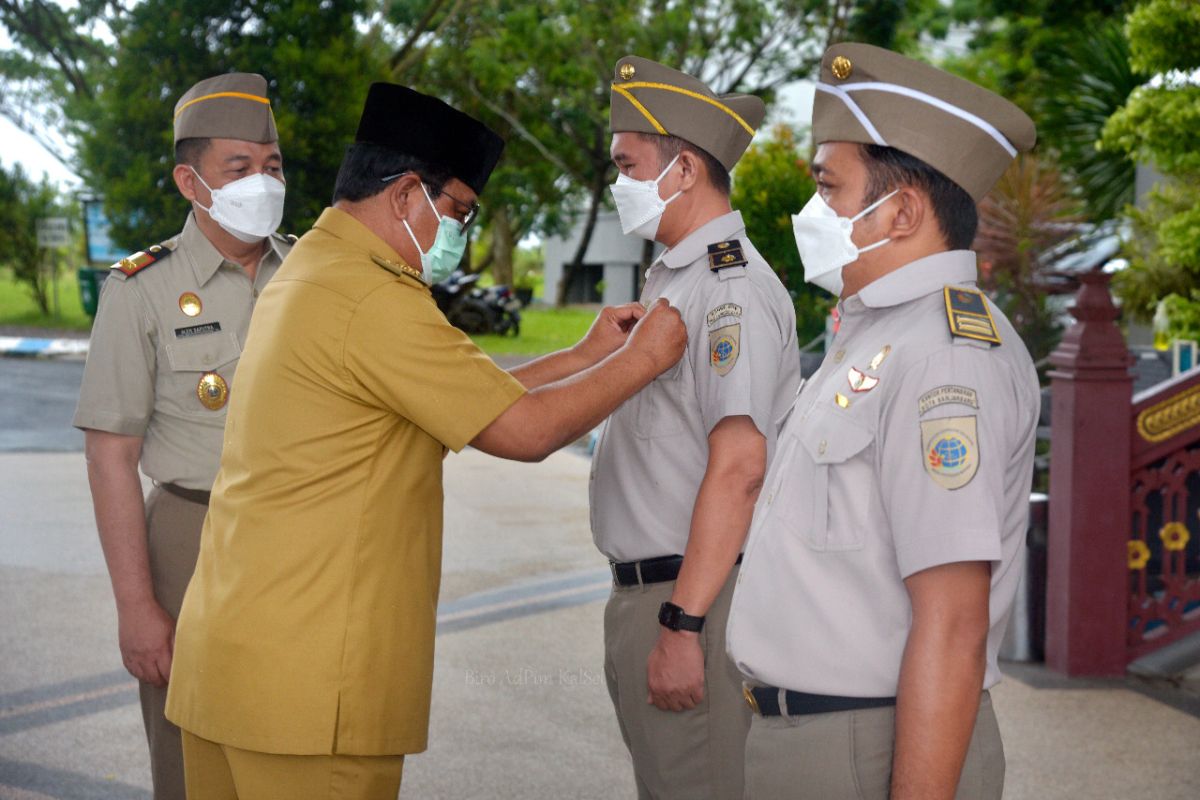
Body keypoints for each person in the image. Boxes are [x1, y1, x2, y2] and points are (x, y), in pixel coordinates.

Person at [163, 82, 687, 798]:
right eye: (457, 212)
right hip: (311, 693)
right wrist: (645, 359)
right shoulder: (374, 296)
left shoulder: (315, 269)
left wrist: (581, 356)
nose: (458, 234)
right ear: (407, 193)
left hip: (232, 668)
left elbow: (453, 395)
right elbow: (524, 432)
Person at [726, 42, 1040, 799]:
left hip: (869, 749)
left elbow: (954, 625)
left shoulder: (943, 358)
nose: (812, 213)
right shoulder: (877, 332)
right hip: (816, 739)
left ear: (902, 211)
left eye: (829, 189)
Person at [73, 72, 291, 800]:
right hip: (190, 539)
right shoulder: (142, 288)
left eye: (273, 167)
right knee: (190, 761)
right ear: (190, 181)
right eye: (239, 168)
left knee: (294, 750)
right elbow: (111, 453)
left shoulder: (314, 274)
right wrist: (137, 607)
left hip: (303, 542)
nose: (261, 182)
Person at [591, 56, 801, 799]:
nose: (616, 182)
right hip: (660, 595)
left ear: (682, 170)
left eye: (628, 165)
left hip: (693, 598)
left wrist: (682, 625)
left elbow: (741, 465)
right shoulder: (678, 275)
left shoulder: (727, 287)